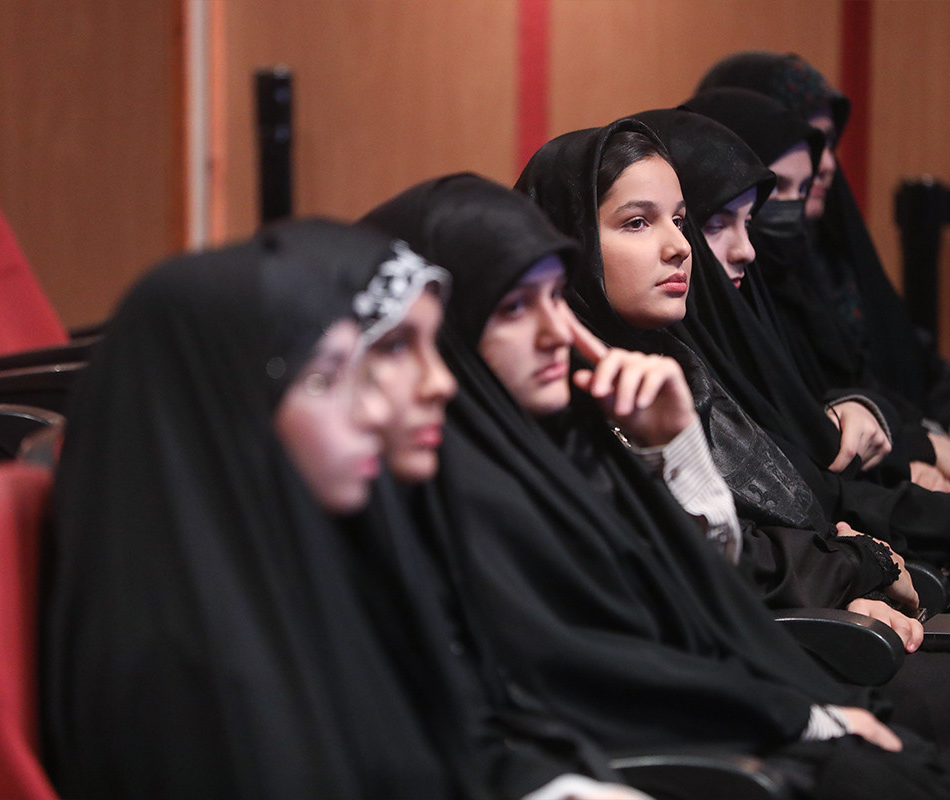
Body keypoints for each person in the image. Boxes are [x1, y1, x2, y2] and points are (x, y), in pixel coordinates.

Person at [516, 121, 950, 798]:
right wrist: (856, 565)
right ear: (566, 244)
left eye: (681, 220)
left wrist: (854, 560)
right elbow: (694, 571)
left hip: (797, 643)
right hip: (745, 679)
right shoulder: (569, 401)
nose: (679, 246)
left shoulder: (672, 359)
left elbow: (752, 525)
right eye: (638, 223)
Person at [362, 173, 950, 800]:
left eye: (554, 297)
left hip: (719, 711)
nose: (556, 332)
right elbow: (579, 679)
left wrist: (674, 446)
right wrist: (800, 717)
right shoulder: (445, 484)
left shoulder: (557, 433)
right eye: (515, 308)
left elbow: (694, 594)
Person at [42, 219, 649, 799]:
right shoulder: (183, 678)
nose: (374, 410)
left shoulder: (296, 564)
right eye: (328, 378)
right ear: (229, 411)